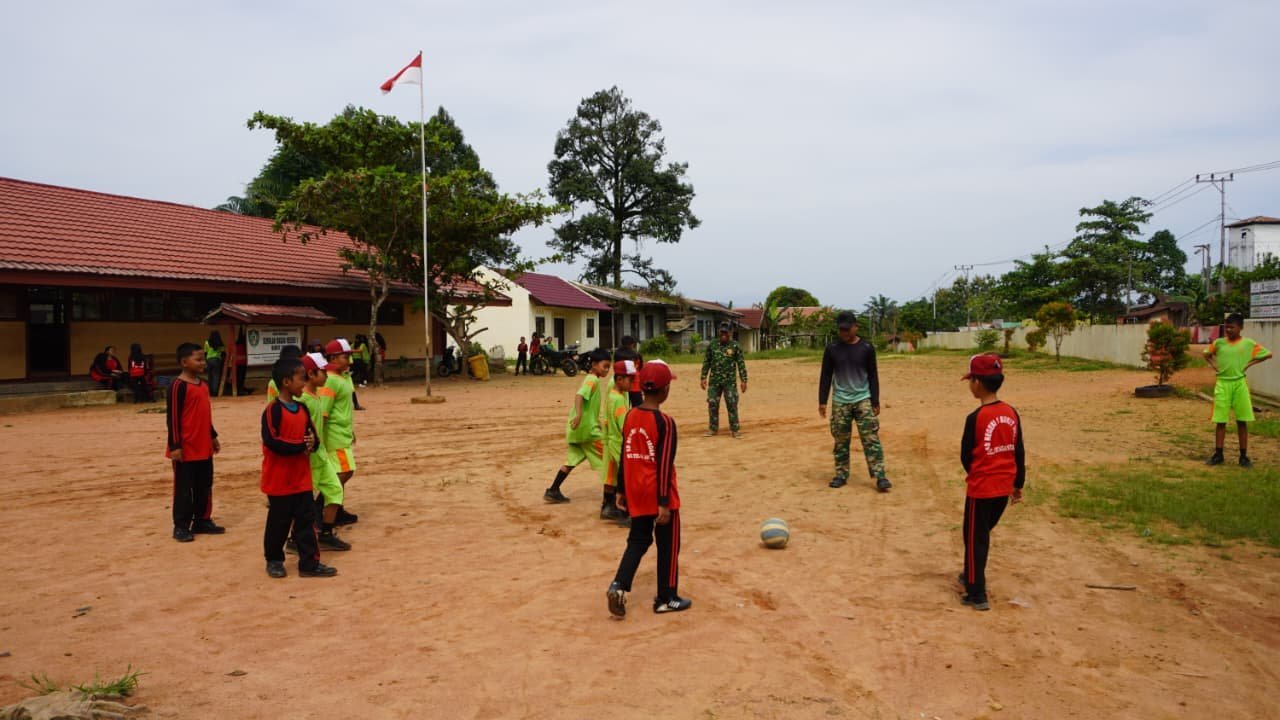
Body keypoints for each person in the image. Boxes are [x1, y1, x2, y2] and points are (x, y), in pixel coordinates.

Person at [606, 360, 691, 617]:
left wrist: (620, 490)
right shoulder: (665, 422)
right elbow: (664, 463)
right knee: (669, 544)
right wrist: (664, 502)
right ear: (665, 391)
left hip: (636, 491)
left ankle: (619, 585)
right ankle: (666, 597)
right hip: (659, 493)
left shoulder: (631, 415)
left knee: (638, 539)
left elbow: (623, 453)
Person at [958, 353, 1025, 611]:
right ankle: (970, 574)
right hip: (1004, 486)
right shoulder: (1011, 413)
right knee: (980, 534)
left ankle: (976, 593)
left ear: (977, 383)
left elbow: (966, 455)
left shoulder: (975, 418)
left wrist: (977, 473)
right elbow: (1019, 451)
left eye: (970, 380)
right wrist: (1018, 483)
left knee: (975, 538)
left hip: (982, 488)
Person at [261, 356, 338, 579]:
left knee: (306, 521)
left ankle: (309, 563)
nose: (303, 383)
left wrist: (312, 444)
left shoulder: (302, 408)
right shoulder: (272, 410)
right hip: (279, 480)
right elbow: (272, 441)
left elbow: (313, 437)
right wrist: (299, 446)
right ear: (286, 382)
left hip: (302, 478)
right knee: (278, 523)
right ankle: (274, 560)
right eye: (300, 379)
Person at [818, 312, 891, 492]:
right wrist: (822, 401)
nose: (843, 333)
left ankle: (880, 475)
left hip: (862, 399)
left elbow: (873, 374)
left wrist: (875, 400)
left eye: (847, 329)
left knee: (870, 438)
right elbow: (826, 375)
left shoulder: (866, 348)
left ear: (855, 327)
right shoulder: (832, 348)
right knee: (841, 440)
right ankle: (841, 474)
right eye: (841, 329)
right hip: (840, 401)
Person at [165, 342, 222, 542]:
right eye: (198, 359)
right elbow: (172, 418)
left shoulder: (204, 385)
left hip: (203, 446)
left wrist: (213, 436)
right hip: (186, 448)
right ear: (184, 362)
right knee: (183, 489)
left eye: (203, 359)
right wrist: (175, 446)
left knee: (204, 485)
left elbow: (205, 415)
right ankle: (181, 525)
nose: (202, 363)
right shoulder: (177, 386)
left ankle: (202, 520)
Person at [297, 352, 351, 552]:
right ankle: (295, 538)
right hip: (310, 457)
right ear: (311, 374)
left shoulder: (315, 396)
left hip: (320, 455)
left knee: (335, 489)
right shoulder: (304, 399)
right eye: (322, 371)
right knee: (304, 501)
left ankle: (326, 533)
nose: (326, 374)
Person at [543, 348, 612, 503]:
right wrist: (580, 415)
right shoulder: (592, 380)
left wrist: (596, 421)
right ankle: (611, 503)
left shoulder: (592, 379)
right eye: (605, 366)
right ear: (594, 364)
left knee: (570, 462)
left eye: (609, 367)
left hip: (579, 431)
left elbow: (589, 406)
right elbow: (580, 395)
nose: (607, 370)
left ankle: (553, 490)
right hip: (587, 431)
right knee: (610, 458)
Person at [1204, 313, 1272, 468]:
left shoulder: (1248, 344)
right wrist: (1214, 365)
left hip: (1240, 384)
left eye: (1232, 327)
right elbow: (1206, 354)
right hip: (1222, 384)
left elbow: (1268, 354)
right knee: (1220, 421)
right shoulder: (1219, 343)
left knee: (1242, 421)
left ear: (1240, 328)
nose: (1228, 330)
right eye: (1226, 327)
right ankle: (1218, 454)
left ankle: (1243, 457)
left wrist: (1249, 364)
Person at [324, 339, 360, 525]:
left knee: (342, 472)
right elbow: (323, 412)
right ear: (333, 358)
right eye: (345, 356)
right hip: (334, 436)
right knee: (344, 472)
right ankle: (324, 511)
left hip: (342, 433)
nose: (349, 360)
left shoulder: (342, 377)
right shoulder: (330, 380)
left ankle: (337, 510)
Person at [599, 359, 637, 524]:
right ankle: (628, 513)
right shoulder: (620, 399)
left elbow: (606, 420)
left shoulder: (611, 395)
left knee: (611, 476)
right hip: (618, 442)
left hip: (609, 440)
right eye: (630, 380)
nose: (633, 383)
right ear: (620, 380)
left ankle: (607, 507)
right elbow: (624, 426)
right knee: (627, 476)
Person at [700, 322, 749, 438]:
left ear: (730, 333)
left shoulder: (735, 346)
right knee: (712, 404)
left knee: (732, 404)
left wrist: (744, 380)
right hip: (714, 382)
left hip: (729, 383)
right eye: (722, 332)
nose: (723, 335)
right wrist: (703, 377)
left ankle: (735, 430)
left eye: (726, 332)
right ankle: (713, 429)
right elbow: (706, 362)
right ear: (719, 332)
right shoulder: (712, 345)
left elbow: (741, 364)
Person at [613, 335, 644, 407]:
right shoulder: (636, 355)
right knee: (637, 408)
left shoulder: (617, 354)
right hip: (635, 386)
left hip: (620, 385)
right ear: (633, 344)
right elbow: (640, 370)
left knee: (623, 407)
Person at [204, 331, 226, 397]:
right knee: (216, 376)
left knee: (209, 376)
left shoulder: (207, 342)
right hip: (217, 360)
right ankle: (215, 391)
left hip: (209, 360)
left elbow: (205, 352)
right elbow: (223, 353)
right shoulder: (220, 343)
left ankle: (209, 391)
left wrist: (206, 360)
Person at [234, 329, 252, 394]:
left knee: (239, 377)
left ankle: (240, 389)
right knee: (240, 378)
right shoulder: (244, 345)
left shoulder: (237, 344)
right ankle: (240, 390)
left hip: (239, 363)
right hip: (241, 364)